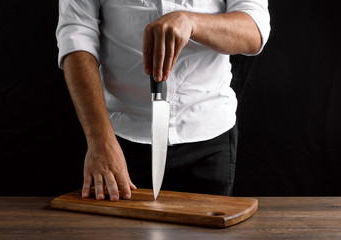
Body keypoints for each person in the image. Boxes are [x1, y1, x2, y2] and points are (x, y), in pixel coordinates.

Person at [56, 0, 270, 201]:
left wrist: (192, 22)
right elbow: (76, 36)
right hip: (118, 141)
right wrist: (99, 141)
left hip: (209, 135)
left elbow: (254, 29)